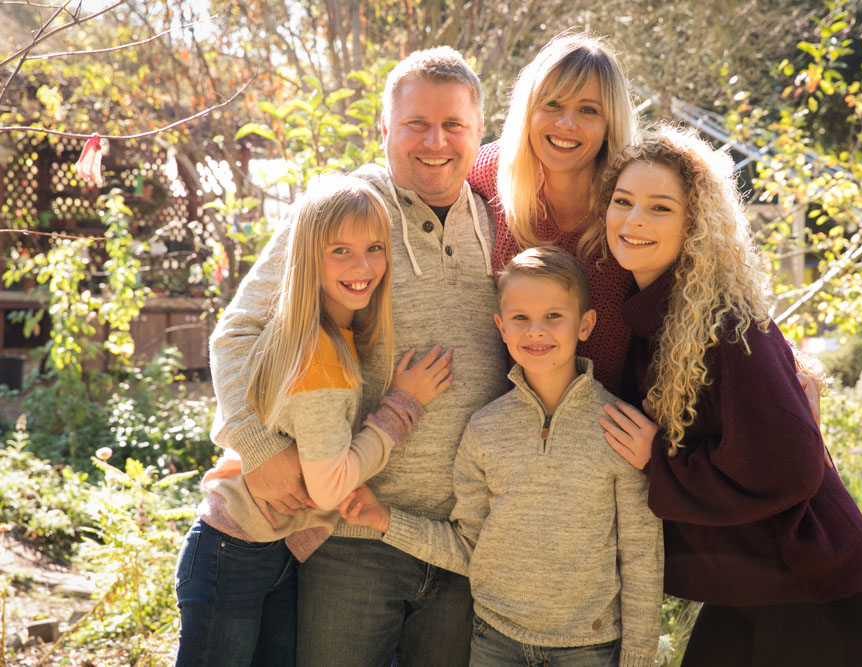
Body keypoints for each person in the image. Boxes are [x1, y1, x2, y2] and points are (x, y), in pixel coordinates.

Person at [207, 48, 509, 666]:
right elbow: (237, 334)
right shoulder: (343, 212)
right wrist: (258, 447)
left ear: (480, 134)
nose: (435, 141)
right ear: (385, 130)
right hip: (351, 534)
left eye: (454, 125)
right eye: (415, 124)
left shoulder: (504, 222)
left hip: (462, 539)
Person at [599, 125, 862, 666]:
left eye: (659, 208)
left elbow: (793, 465)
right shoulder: (652, 320)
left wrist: (657, 462)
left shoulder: (728, 327)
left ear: (696, 224)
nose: (633, 220)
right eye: (623, 201)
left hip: (815, 587)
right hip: (751, 587)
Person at [174, 174, 454, 666]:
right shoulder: (319, 358)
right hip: (233, 554)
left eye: (374, 248)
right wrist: (400, 408)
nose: (362, 266)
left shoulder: (328, 335)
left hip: (277, 551)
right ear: (306, 257)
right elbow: (329, 488)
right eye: (339, 251)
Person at [339, 247, 663, 666]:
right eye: (520, 318)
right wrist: (385, 519)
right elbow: (469, 545)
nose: (536, 331)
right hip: (495, 643)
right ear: (501, 328)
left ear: (585, 325)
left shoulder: (620, 430)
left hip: (588, 648)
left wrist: (636, 660)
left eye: (553, 316)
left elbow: (641, 558)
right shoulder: (484, 429)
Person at [466, 31, 637, 394]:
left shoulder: (632, 203)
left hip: (605, 430)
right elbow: (421, 179)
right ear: (529, 111)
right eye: (553, 105)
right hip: (505, 424)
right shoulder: (493, 170)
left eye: (588, 110)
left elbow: (705, 276)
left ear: (610, 126)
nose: (566, 124)